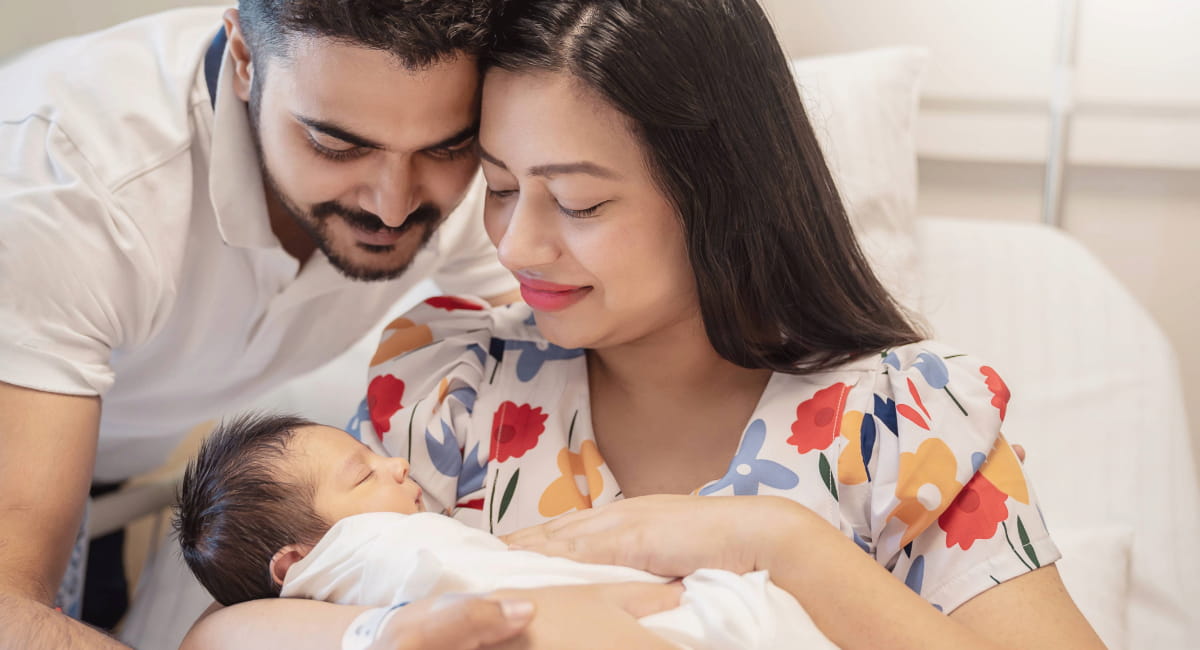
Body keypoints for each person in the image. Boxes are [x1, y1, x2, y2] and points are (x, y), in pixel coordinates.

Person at [189, 0, 1107, 648]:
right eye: (502, 188)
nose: (520, 243)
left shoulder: (903, 423)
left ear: (716, 196)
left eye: (579, 204)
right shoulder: (452, 387)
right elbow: (232, 631)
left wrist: (777, 545)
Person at [0, 0, 612, 646]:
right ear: (242, 60)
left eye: (447, 146)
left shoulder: (472, 172)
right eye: (336, 144)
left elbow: (592, 341)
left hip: (124, 455)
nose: (394, 205)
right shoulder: (75, 193)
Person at [174, 412, 835, 649]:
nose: (396, 461)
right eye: (364, 472)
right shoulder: (373, 551)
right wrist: (635, 596)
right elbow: (485, 591)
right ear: (297, 563)